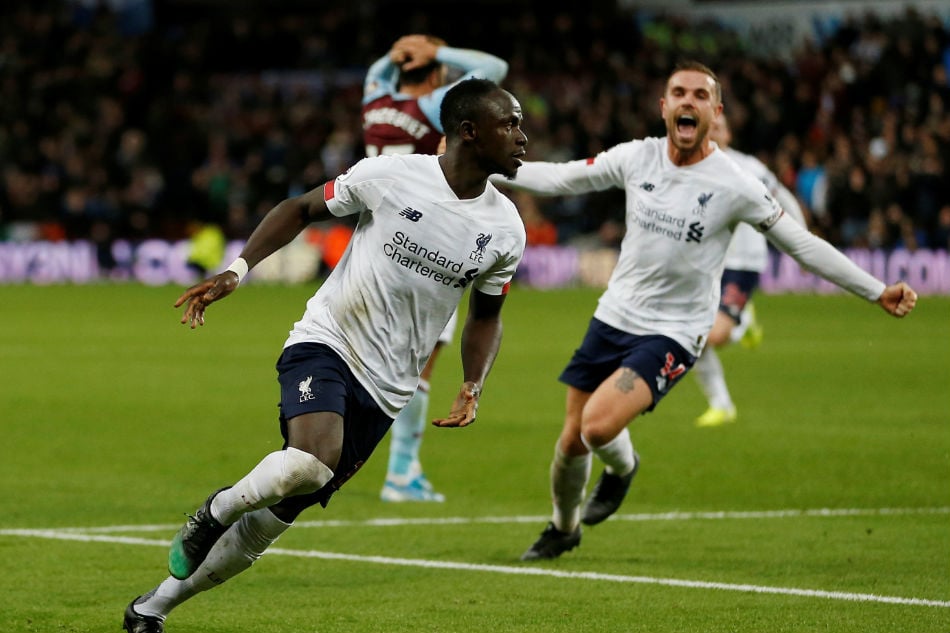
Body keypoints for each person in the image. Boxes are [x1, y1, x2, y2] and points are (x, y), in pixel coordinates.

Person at [122, 78, 528, 633]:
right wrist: (238, 271)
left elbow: (486, 316)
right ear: (468, 131)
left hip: (387, 390)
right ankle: (213, 512)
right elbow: (302, 207)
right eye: (510, 124)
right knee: (310, 461)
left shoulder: (506, 228)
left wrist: (472, 383)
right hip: (329, 340)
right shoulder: (391, 176)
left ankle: (152, 608)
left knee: (278, 514)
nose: (522, 137)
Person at [491, 60, 917, 561]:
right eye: (679, 93)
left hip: (674, 332)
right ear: (664, 106)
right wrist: (487, 164)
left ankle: (624, 469)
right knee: (569, 443)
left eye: (700, 95)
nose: (688, 101)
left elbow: (801, 245)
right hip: (613, 316)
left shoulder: (734, 184)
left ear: (715, 113)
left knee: (598, 427)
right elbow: (560, 177)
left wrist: (875, 290)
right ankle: (564, 528)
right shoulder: (637, 157)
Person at [362, 34, 509, 502]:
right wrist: (440, 51)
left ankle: (402, 469)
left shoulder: (373, 101)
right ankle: (401, 473)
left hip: (377, 237)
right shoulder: (432, 109)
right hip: (428, 242)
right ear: (436, 77)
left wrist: (396, 52)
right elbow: (495, 66)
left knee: (389, 360)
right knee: (418, 368)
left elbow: (378, 70)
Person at [693, 112, 808, 427]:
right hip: (706, 265)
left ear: (729, 135)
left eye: (720, 127)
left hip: (742, 264)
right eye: (710, 127)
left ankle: (743, 323)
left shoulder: (749, 167)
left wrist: (802, 239)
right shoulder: (692, 168)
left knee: (710, 336)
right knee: (689, 335)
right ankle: (721, 405)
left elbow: (783, 197)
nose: (714, 131)